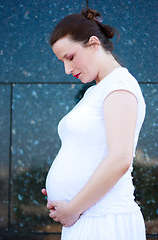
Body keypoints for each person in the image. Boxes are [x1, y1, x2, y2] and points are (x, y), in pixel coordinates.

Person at [42, 7, 146, 240]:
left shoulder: (119, 85)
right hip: (88, 219)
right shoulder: (96, 92)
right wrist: (67, 187)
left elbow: (120, 159)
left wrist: (73, 207)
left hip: (105, 222)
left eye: (70, 57)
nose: (67, 70)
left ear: (93, 43)